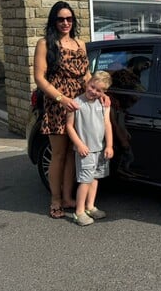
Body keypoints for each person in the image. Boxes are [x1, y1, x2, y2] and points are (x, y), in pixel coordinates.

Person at [33, 1, 96, 219]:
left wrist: (100, 93)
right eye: (61, 19)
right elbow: (39, 78)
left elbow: (86, 75)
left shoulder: (80, 43)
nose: (65, 22)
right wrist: (61, 98)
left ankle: (69, 197)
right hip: (58, 104)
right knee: (58, 154)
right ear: (54, 21)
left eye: (69, 18)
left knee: (72, 153)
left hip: (79, 103)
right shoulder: (45, 44)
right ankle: (56, 200)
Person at [66, 70, 114, 226]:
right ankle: (79, 212)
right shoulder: (75, 103)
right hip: (85, 150)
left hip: (99, 150)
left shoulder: (103, 104)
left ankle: (90, 206)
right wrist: (79, 144)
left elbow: (107, 125)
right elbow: (69, 127)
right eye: (92, 87)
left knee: (95, 179)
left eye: (99, 90)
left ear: (104, 92)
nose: (93, 91)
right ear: (88, 82)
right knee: (85, 181)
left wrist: (109, 145)